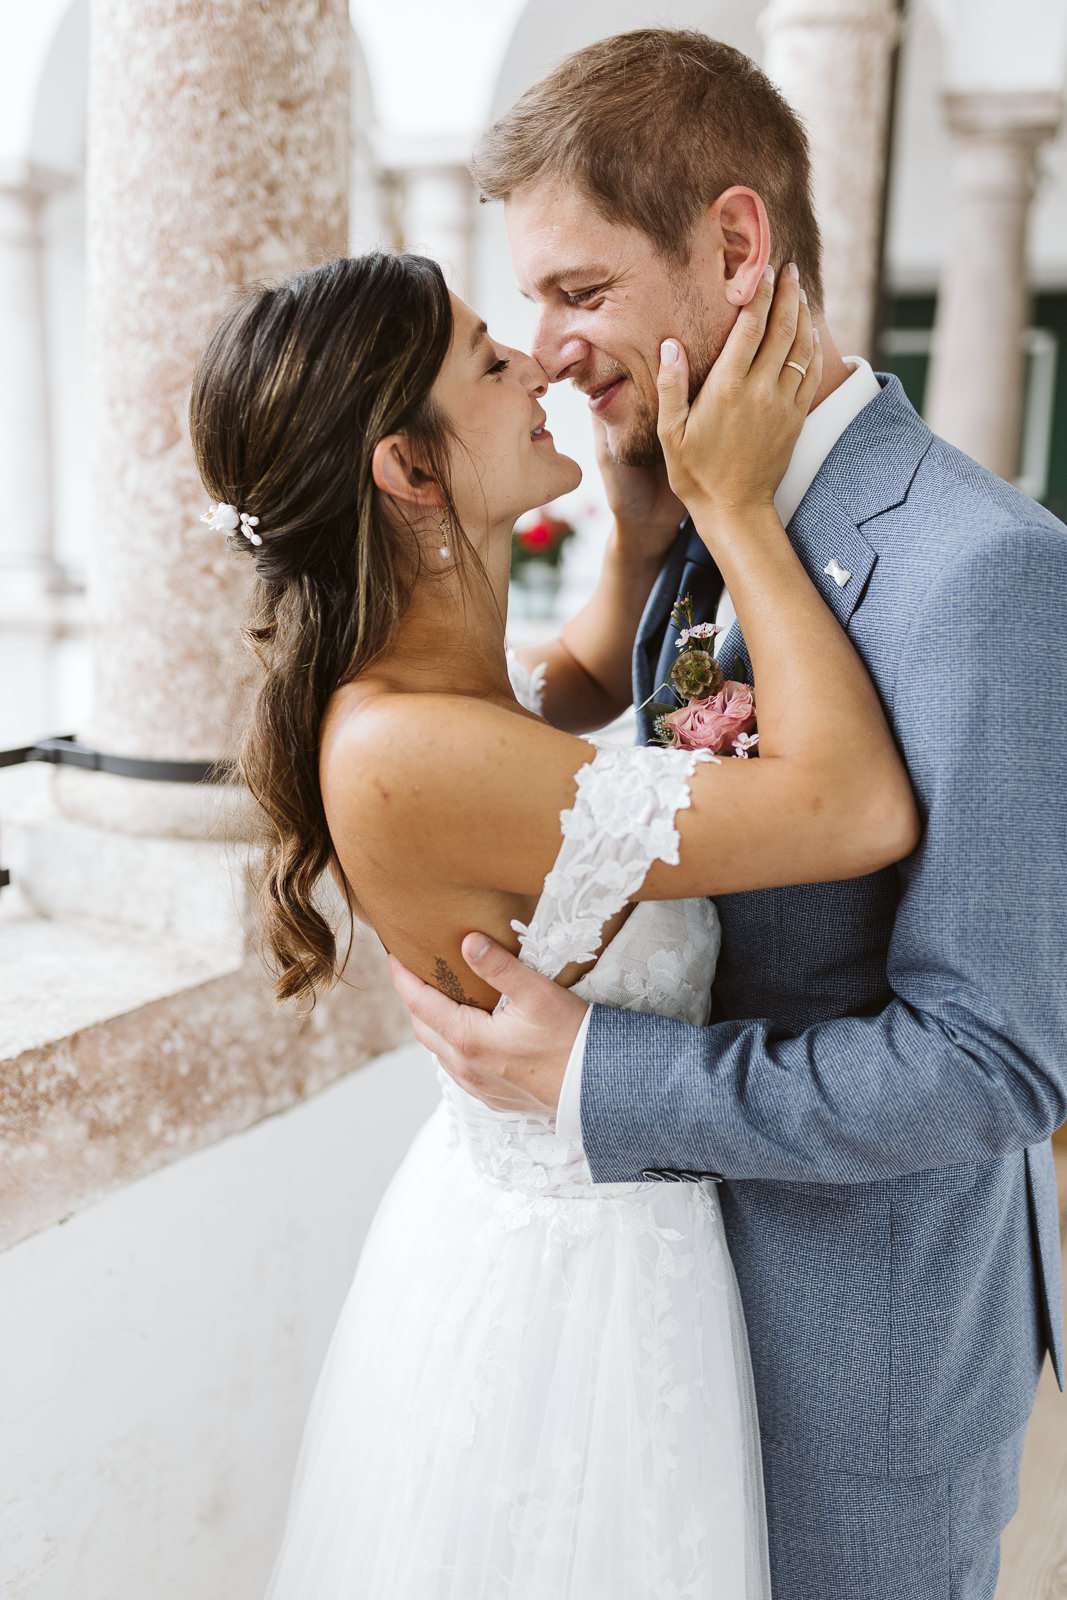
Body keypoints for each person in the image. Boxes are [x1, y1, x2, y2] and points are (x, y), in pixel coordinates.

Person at [392, 27, 1067, 1600]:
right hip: (648, 1352)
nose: (548, 349)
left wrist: (597, 1075)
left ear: (737, 244)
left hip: (854, 1379)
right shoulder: (691, 508)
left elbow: (997, 1062)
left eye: (578, 291)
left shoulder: (985, 573)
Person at [189, 246, 916, 1597]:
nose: (537, 361)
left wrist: (642, 516)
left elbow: (578, 674)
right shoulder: (409, 749)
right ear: (410, 471)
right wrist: (739, 511)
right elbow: (858, 808)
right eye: (488, 359)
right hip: (573, 1306)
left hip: (608, 1242)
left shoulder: (435, 682)